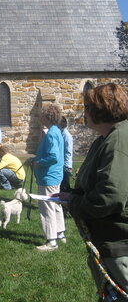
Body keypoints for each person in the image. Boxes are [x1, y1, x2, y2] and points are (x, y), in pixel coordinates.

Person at [58, 83, 128, 301]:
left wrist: (75, 205)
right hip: (108, 241)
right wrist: (73, 195)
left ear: (100, 109)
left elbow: (109, 196)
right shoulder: (106, 139)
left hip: (118, 243)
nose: (84, 112)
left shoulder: (118, 140)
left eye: (86, 107)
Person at [29, 103, 65, 251]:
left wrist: (38, 163)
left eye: (41, 115)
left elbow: (53, 157)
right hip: (54, 175)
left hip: (48, 176)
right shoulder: (56, 131)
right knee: (56, 205)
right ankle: (60, 233)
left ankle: (51, 241)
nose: (39, 118)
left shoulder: (51, 133)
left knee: (47, 208)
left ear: (47, 117)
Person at [58, 116, 73, 192]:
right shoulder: (61, 133)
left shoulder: (66, 135)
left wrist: (67, 166)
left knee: (64, 187)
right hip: (61, 164)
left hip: (65, 166)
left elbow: (68, 152)